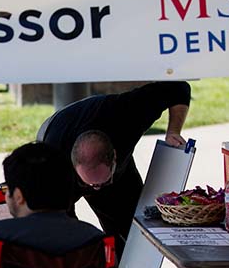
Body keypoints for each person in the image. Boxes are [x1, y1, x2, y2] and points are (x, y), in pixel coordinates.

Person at [36, 81, 191, 248]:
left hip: (112, 151)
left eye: (103, 182)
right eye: (89, 184)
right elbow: (59, 226)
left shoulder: (126, 115)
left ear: (115, 156)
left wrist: (173, 131)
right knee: (65, 237)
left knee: (135, 230)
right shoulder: (53, 164)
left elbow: (178, 88)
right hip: (56, 133)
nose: (96, 189)